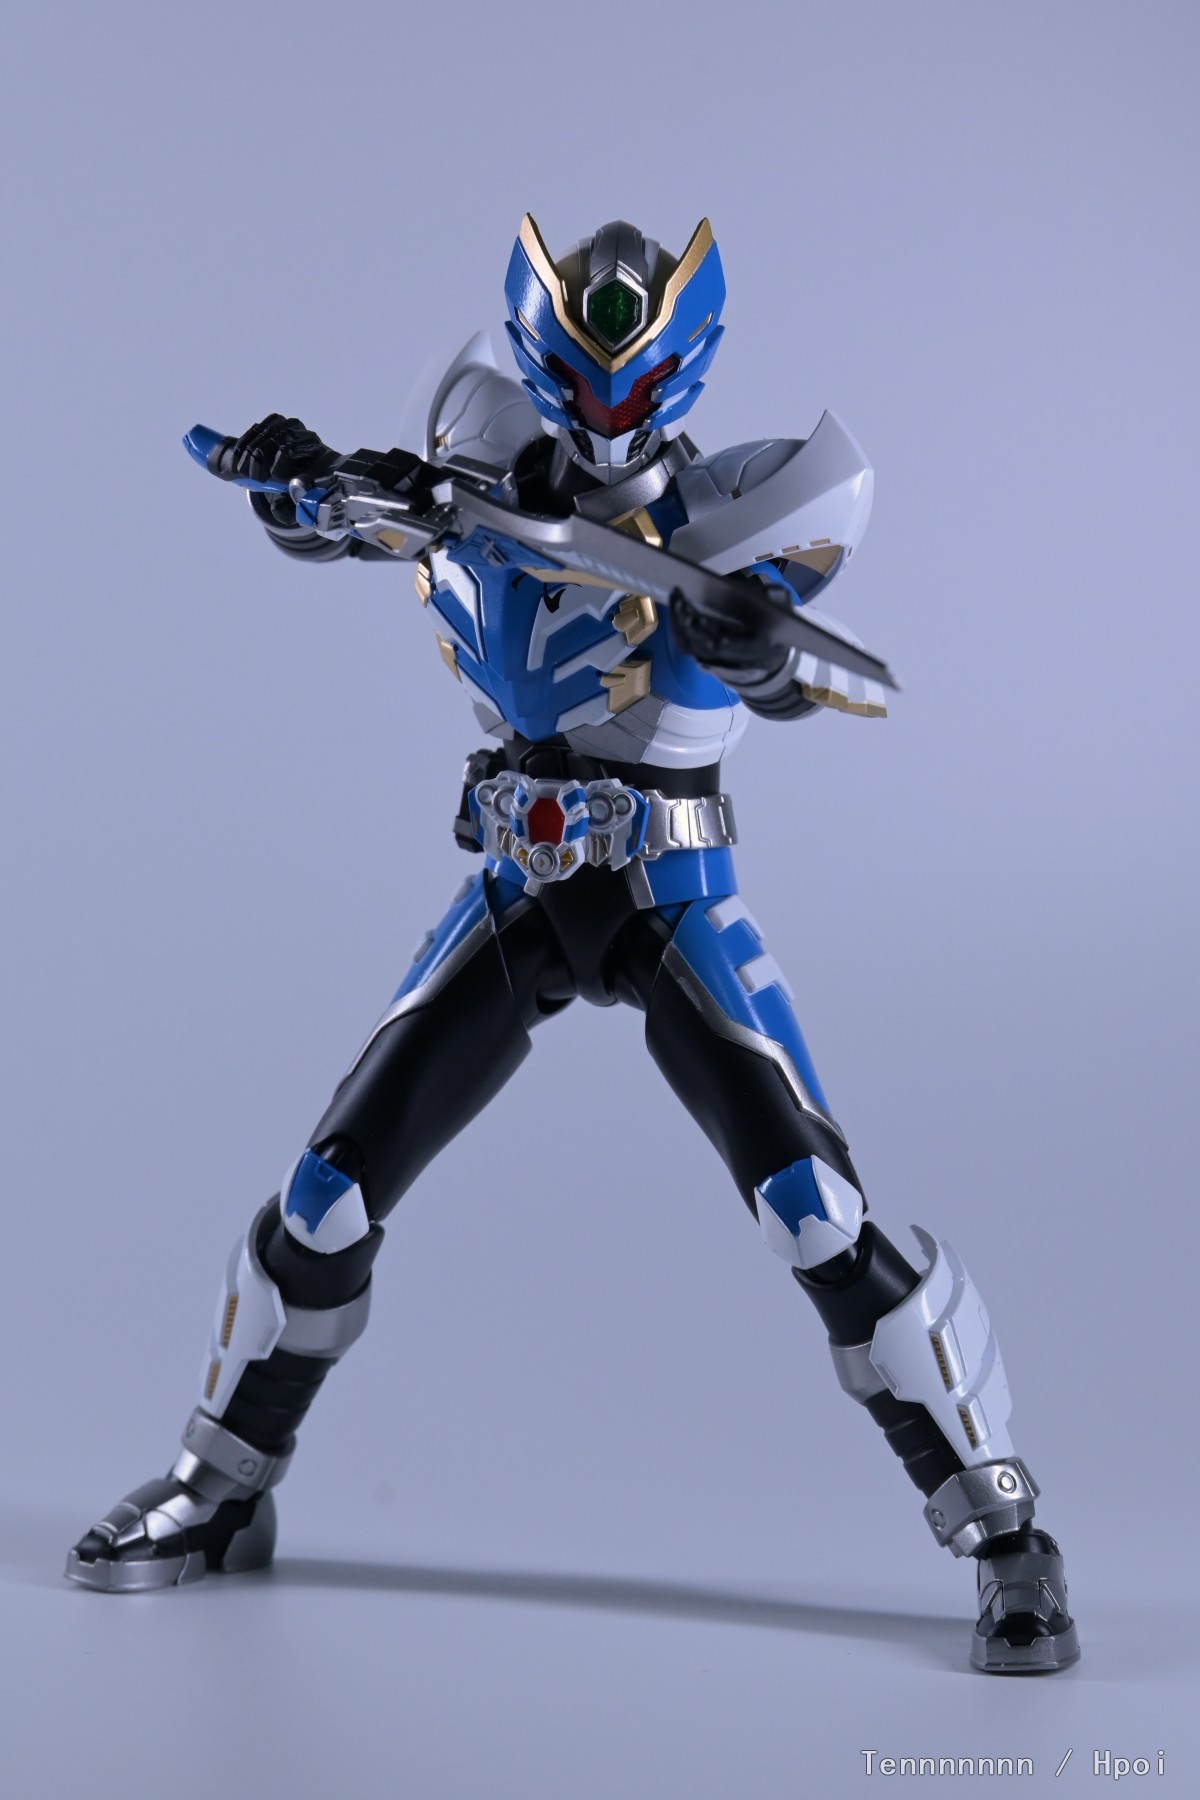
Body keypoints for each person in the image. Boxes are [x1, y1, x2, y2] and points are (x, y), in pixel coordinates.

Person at [67, 215, 1077, 1674]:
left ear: (686, 363)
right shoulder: (464, 475)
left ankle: (1004, 1528)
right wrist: (300, 484)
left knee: (816, 1209)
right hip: (517, 893)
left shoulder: (740, 508)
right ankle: (218, 1484)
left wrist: (758, 657)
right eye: (583, 377)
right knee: (328, 1196)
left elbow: (787, 673)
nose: (609, 412)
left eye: (639, 380)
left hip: (671, 894)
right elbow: (339, 524)